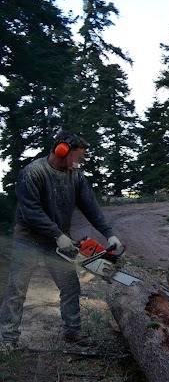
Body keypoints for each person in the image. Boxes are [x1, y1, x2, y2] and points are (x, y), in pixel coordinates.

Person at [0, 130, 122, 352]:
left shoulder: (75, 176)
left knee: (70, 286)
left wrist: (108, 232)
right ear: (62, 150)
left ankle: (72, 331)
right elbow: (32, 212)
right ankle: (8, 339)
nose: (81, 161)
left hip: (59, 241)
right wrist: (57, 234)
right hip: (29, 239)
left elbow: (90, 206)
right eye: (78, 155)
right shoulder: (33, 173)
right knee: (17, 288)